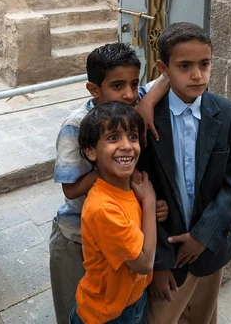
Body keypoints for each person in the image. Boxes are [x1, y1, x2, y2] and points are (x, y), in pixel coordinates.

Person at [50, 43, 169, 324]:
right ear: (94, 90)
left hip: (122, 235)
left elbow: (165, 75)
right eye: (117, 85)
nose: (129, 94)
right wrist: (118, 171)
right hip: (77, 237)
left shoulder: (131, 100)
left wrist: (148, 101)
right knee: (81, 306)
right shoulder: (76, 126)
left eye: (134, 84)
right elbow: (70, 189)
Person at [140, 22, 231, 324]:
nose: (198, 75)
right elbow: (142, 192)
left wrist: (203, 236)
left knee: (203, 316)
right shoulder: (147, 121)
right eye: (184, 66)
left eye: (204, 64)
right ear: (164, 68)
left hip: (210, 251)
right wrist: (159, 262)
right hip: (166, 258)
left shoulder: (228, 115)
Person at [70, 102, 156, 323]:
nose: (127, 145)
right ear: (91, 151)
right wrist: (149, 201)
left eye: (133, 136)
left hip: (132, 300)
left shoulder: (127, 189)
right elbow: (145, 262)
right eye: (113, 138)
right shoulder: (104, 209)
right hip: (107, 315)